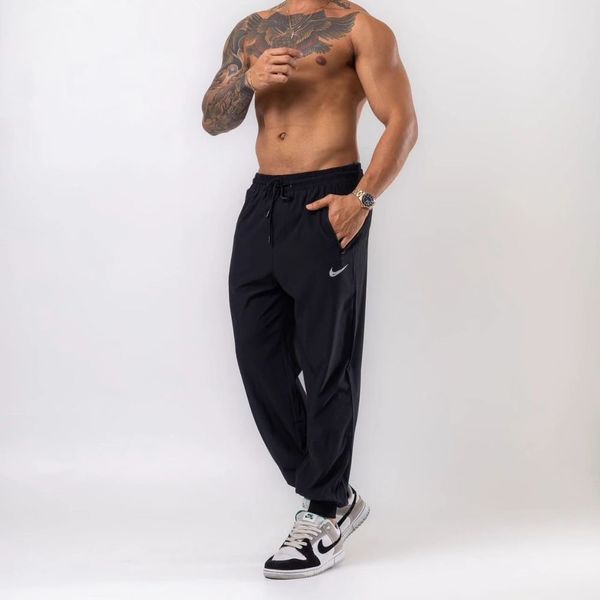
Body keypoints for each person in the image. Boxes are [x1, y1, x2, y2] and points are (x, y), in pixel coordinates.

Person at [202, 0, 417, 579]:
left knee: (327, 361)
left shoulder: (362, 28)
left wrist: (362, 199)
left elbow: (402, 121)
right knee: (258, 357)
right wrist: (246, 81)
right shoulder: (249, 30)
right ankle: (334, 492)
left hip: (329, 197)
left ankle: (322, 511)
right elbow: (213, 120)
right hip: (263, 201)